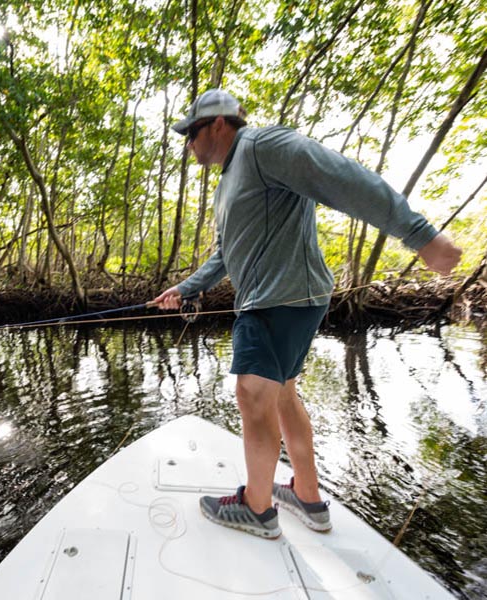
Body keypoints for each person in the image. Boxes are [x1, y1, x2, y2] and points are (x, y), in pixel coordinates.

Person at [154, 89, 462, 539]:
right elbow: (226, 254)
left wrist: (419, 235)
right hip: (283, 298)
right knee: (281, 397)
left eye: (191, 132)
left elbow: (340, 177)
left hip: (276, 299)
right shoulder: (228, 184)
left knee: (252, 395)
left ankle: (257, 509)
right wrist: (186, 287)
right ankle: (308, 495)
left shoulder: (261, 147)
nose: (188, 142)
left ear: (218, 124)